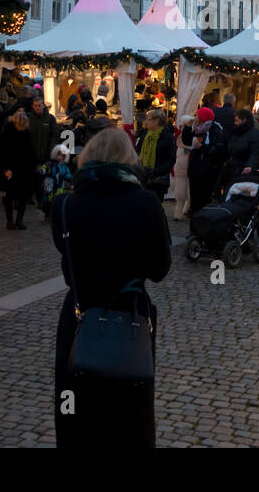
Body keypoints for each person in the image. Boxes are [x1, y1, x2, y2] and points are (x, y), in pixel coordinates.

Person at [51, 127, 171, 448]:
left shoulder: (64, 206)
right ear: (127, 159)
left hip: (79, 315)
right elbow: (159, 269)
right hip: (129, 316)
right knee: (130, 414)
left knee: (75, 411)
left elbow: (68, 256)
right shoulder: (145, 203)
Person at [181, 106, 225, 215]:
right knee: (195, 199)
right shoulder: (196, 128)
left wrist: (202, 147)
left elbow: (219, 150)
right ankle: (195, 225)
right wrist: (187, 128)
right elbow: (186, 141)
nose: (195, 118)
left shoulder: (214, 130)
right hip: (195, 169)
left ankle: (203, 224)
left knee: (204, 200)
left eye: (197, 116)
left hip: (207, 171)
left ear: (202, 118)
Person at [0, 109, 38, 230]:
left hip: (24, 168)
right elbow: (3, 152)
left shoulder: (26, 133)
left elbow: (30, 152)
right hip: (12, 168)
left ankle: (18, 220)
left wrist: (33, 165)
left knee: (22, 196)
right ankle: (11, 221)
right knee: (11, 196)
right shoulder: (9, 133)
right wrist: (6, 168)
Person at [221, 107, 259, 191]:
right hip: (233, 169)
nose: (235, 123)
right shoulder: (236, 133)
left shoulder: (254, 134)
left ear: (244, 120)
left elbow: (256, 151)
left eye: (237, 120)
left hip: (244, 172)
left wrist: (250, 165)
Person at [134, 108, 176, 203]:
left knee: (155, 203)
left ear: (157, 121)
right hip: (143, 176)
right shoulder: (144, 134)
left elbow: (171, 159)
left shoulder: (167, 137)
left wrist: (156, 171)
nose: (145, 122)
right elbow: (137, 151)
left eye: (148, 119)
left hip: (158, 179)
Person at [28, 96, 60, 205]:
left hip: (46, 155)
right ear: (33, 106)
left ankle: (44, 201)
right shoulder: (29, 118)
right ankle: (32, 197)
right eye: (36, 106)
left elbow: (55, 135)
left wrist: (51, 150)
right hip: (31, 155)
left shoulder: (50, 118)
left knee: (45, 179)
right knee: (33, 179)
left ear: (43, 106)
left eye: (40, 105)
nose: (38, 108)